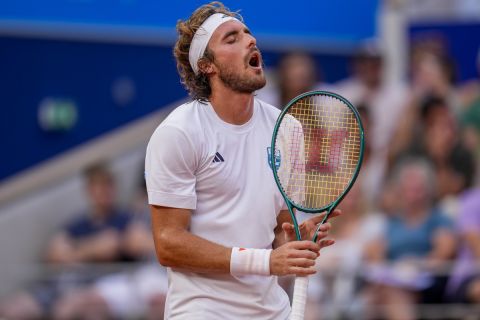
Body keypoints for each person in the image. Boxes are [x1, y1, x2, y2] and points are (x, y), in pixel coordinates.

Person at [144, 2, 339, 319]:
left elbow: (276, 230)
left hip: (270, 309)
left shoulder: (287, 129)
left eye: (248, 34)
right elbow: (168, 244)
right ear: (207, 65)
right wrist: (264, 261)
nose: (250, 40)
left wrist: (290, 239)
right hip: (201, 310)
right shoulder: (178, 133)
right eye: (231, 38)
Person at [0, 162, 139, 320]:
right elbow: (54, 254)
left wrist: (74, 250)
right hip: (60, 283)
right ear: (89, 190)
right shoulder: (78, 223)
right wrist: (91, 248)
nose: (104, 192)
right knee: (10, 309)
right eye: (98, 186)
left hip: (95, 286)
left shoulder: (125, 219)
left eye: (108, 185)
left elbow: (109, 248)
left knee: (68, 310)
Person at [362, 158, 456, 320]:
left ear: (429, 190)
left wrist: (417, 265)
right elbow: (373, 252)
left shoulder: (438, 219)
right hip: (392, 281)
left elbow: (444, 252)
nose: (413, 195)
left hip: (426, 284)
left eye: (418, 189)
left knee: (386, 295)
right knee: (377, 294)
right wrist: (389, 268)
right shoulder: (392, 222)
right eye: (408, 189)